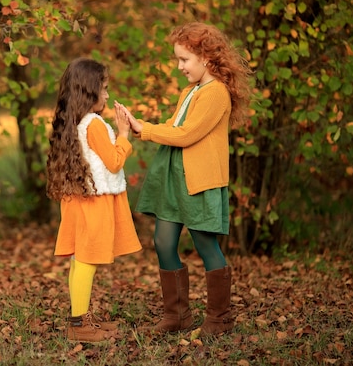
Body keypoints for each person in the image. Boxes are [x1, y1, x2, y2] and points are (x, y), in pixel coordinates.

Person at [115, 22, 252, 337]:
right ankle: (177, 317)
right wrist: (140, 123)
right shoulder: (190, 92)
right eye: (177, 60)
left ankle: (220, 319)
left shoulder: (216, 92)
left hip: (199, 181)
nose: (179, 67)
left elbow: (188, 134)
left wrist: (143, 129)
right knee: (163, 243)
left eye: (184, 60)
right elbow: (175, 125)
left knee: (205, 244)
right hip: (174, 180)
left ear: (205, 57)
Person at [47, 57, 142, 343]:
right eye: (104, 88)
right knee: (87, 260)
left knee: (80, 259)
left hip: (79, 199)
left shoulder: (72, 121)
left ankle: (81, 315)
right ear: (89, 91)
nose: (108, 94)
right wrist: (124, 135)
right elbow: (114, 162)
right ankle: (78, 324)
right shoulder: (94, 125)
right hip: (93, 202)